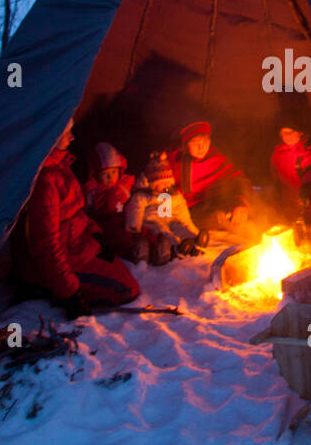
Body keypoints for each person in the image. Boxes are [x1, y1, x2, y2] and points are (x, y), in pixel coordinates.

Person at [13, 126, 140, 317]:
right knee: (126, 290)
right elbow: (45, 244)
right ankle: (41, 288)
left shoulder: (60, 167)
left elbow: (76, 215)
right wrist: (69, 293)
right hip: (54, 263)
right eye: (66, 133)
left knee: (124, 277)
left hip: (76, 247)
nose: (72, 138)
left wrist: (96, 235)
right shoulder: (45, 181)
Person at [125, 152, 208, 265]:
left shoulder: (174, 196)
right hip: (152, 223)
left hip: (169, 220)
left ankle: (194, 242)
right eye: (162, 183)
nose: (165, 186)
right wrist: (134, 228)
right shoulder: (143, 196)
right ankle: (176, 249)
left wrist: (193, 230)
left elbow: (184, 217)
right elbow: (135, 210)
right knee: (163, 231)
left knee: (180, 226)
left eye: (168, 182)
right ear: (152, 183)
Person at [169, 120, 253, 230]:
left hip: (211, 206)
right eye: (195, 142)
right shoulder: (172, 162)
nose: (201, 147)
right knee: (218, 219)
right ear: (185, 144)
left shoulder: (215, 158)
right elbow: (162, 191)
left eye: (205, 140)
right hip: (182, 213)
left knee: (243, 215)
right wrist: (163, 217)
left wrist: (241, 201)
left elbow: (238, 179)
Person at [83, 141, 136, 259]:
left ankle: (143, 246)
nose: (110, 177)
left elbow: (130, 203)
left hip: (123, 220)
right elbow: (87, 213)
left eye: (113, 172)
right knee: (114, 235)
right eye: (105, 173)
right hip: (105, 225)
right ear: (96, 175)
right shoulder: (93, 192)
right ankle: (126, 252)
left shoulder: (122, 187)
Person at [270, 125, 311, 225]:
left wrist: (309, 188)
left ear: (300, 133)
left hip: (308, 206)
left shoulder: (306, 153)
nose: (288, 136)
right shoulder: (278, 153)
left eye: (292, 132)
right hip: (286, 208)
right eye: (284, 133)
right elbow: (275, 177)